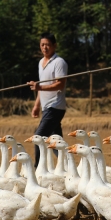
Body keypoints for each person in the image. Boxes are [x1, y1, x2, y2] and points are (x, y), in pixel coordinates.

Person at [28, 32, 67, 166]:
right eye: (42, 45)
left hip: (55, 107)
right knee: (56, 143)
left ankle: (37, 169)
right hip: (46, 108)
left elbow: (60, 85)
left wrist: (40, 87)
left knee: (38, 138)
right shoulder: (41, 62)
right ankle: (67, 166)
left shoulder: (59, 62)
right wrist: (37, 106)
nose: (45, 48)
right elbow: (41, 86)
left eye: (48, 45)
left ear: (54, 46)